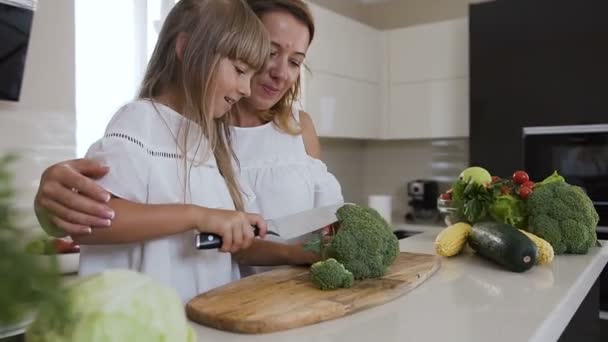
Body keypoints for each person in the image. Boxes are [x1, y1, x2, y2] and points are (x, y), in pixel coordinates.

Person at [34, 0, 341, 268]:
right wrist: (200, 216)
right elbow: (91, 219)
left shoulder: (202, 142)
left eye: (296, 62)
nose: (279, 72)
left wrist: (301, 251)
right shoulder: (149, 123)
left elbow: (228, 244)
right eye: (265, 55)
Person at [61, 0, 274, 303]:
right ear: (186, 50)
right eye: (240, 70)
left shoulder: (209, 141)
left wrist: (236, 224)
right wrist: (198, 215)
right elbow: (90, 225)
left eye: (251, 76)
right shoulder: (139, 121)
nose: (246, 89)